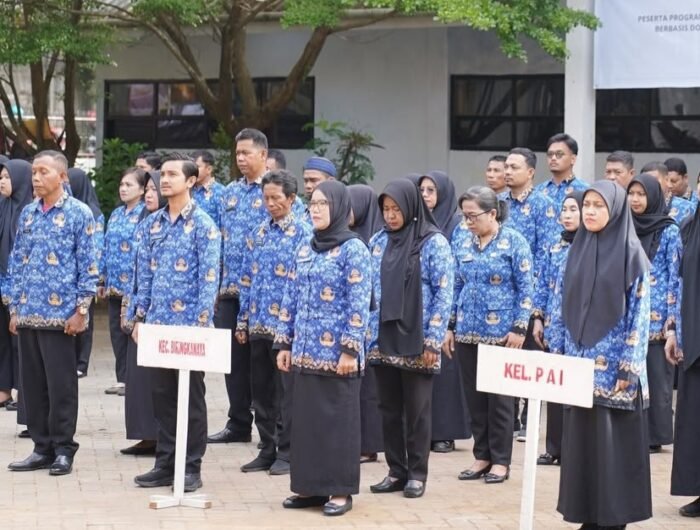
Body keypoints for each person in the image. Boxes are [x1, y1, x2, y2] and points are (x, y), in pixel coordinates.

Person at [553, 180, 652, 529]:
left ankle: (613, 518)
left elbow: (639, 316)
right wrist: (558, 355)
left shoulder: (631, 255)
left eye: (599, 206)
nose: (590, 212)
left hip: (614, 374)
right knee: (582, 446)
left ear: (616, 211)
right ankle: (588, 515)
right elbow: (560, 308)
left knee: (612, 448)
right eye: (587, 205)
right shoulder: (574, 252)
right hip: (578, 369)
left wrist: (629, 366)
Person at [275, 180, 371, 516]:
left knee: (337, 423)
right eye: (312, 203)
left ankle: (340, 491)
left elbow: (360, 303)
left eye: (322, 204)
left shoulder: (353, 249)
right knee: (307, 424)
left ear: (340, 208)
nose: (315, 210)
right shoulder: (306, 247)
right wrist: (284, 342)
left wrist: (350, 349)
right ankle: (310, 488)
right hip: (304, 353)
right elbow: (290, 295)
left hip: (337, 356)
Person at [130, 153, 221, 493]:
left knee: (191, 398)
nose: (164, 180)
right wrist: (138, 318)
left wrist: (201, 325)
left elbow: (209, 280)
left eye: (171, 175)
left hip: (189, 327)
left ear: (191, 181)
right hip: (157, 325)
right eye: (162, 175)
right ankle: (165, 463)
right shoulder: (151, 224)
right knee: (162, 397)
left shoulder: (204, 225)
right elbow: (143, 276)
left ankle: (191, 466)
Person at [7, 150, 98, 476]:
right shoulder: (28, 213)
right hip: (29, 314)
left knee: (61, 387)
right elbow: (17, 262)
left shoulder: (79, 214)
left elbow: (89, 265)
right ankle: (41, 447)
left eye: (43, 171)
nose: (36, 177)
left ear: (62, 177)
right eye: (34, 171)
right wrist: (14, 308)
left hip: (62, 318)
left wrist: (82, 310)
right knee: (32, 386)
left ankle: (63, 449)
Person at [367, 178, 454, 499]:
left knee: (417, 412)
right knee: (389, 409)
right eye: (386, 209)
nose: (390, 216)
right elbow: (369, 289)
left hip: (418, 339)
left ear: (411, 207)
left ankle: (417, 473)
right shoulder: (378, 241)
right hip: (383, 337)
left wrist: (433, 339)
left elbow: (444, 292)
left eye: (396, 209)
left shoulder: (433, 242)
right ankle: (396, 470)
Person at [447, 186, 533, 484]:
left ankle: (501, 461)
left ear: (492, 213)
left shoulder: (514, 242)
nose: (468, 222)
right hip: (467, 332)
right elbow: (456, 285)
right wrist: (450, 326)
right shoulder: (463, 240)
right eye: (465, 216)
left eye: (473, 216)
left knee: (500, 401)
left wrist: (519, 327)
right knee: (475, 399)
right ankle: (481, 455)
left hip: (502, 334)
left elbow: (526, 288)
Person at [236, 170, 311, 476]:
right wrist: (242, 320)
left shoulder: (304, 233)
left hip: (286, 329)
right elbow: (246, 279)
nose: (270, 203)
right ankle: (267, 447)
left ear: (291, 198)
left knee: (285, 394)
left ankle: (288, 451)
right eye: (266, 198)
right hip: (258, 323)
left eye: (276, 198)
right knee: (262, 393)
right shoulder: (258, 233)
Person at [210, 128, 270, 445]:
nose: (241, 159)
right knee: (232, 361)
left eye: (246, 153)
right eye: (237, 154)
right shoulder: (229, 193)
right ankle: (238, 422)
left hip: (261, 292)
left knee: (260, 363)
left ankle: (269, 428)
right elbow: (220, 240)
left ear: (263, 154)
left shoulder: (274, 189)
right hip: (230, 290)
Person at [502, 147, 558, 440]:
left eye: (514, 167)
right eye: (506, 166)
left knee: (531, 358)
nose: (507, 171)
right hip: (501, 296)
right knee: (506, 360)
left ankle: (529, 420)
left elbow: (546, 254)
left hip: (532, 293)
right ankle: (509, 419)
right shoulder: (498, 203)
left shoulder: (543, 205)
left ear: (531, 172)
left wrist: (536, 305)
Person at [418, 171, 471, 454]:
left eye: (431, 190)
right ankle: (423, 431)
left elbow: (458, 269)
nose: (425, 195)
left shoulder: (456, 226)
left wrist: (449, 317)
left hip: (447, 305)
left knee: (446, 372)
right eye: (422, 190)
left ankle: (444, 432)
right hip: (420, 308)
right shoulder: (416, 222)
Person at [627, 174, 680, 455]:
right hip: (630, 316)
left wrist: (672, 321)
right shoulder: (623, 225)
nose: (635, 199)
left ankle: (655, 435)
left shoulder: (668, 230)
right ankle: (634, 430)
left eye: (641, 194)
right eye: (631, 193)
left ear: (654, 197)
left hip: (658, 317)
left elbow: (675, 276)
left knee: (658, 379)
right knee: (632, 377)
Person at [532, 192, 583, 466]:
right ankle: (554, 448)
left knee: (575, 388)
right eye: (565, 209)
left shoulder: (591, 245)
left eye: (574, 209)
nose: (567, 215)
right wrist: (538, 318)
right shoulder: (555, 245)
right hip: (554, 326)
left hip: (580, 330)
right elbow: (542, 284)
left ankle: (574, 449)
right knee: (554, 386)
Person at [119, 169, 165, 456]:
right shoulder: (143, 222)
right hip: (137, 308)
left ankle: (162, 437)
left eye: (153, 189)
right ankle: (145, 435)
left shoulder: (171, 226)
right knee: (137, 377)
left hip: (160, 311)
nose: (149, 194)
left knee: (156, 379)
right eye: (146, 189)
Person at [99, 168, 145, 394]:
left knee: (131, 331)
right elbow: (106, 246)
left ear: (142, 189)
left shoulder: (145, 214)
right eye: (122, 184)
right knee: (116, 332)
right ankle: (122, 378)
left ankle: (134, 380)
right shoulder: (117, 214)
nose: (123, 189)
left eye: (129, 185)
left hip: (133, 286)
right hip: (114, 285)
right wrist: (101, 278)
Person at [348, 184, 384, 463]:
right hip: (355, 327)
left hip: (375, 326)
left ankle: (369, 445)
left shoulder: (379, 240)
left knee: (371, 391)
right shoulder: (345, 239)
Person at [669, 190, 700, 517]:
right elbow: (677, 283)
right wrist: (673, 330)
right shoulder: (689, 226)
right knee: (695, 421)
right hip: (695, 339)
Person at [0, 159, 33, 409]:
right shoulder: (4, 207)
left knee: (19, 341)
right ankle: (4, 389)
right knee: (3, 340)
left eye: (7, 177)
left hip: (21, 287)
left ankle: (24, 391)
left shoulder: (29, 213)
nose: (2, 182)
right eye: (1, 177)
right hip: (2, 283)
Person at [68, 168, 104, 378]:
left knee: (85, 320)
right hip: (68, 279)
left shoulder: (92, 213)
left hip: (85, 276)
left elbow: (95, 248)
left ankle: (82, 362)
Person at [535, 133, 588, 210]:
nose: (553, 158)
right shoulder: (539, 191)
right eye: (550, 154)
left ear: (573, 159)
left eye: (559, 154)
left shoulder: (584, 190)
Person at [191, 149, 224, 226]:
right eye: (191, 167)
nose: (192, 170)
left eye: (197, 167)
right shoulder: (186, 190)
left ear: (209, 169)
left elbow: (224, 224)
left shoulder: (220, 192)